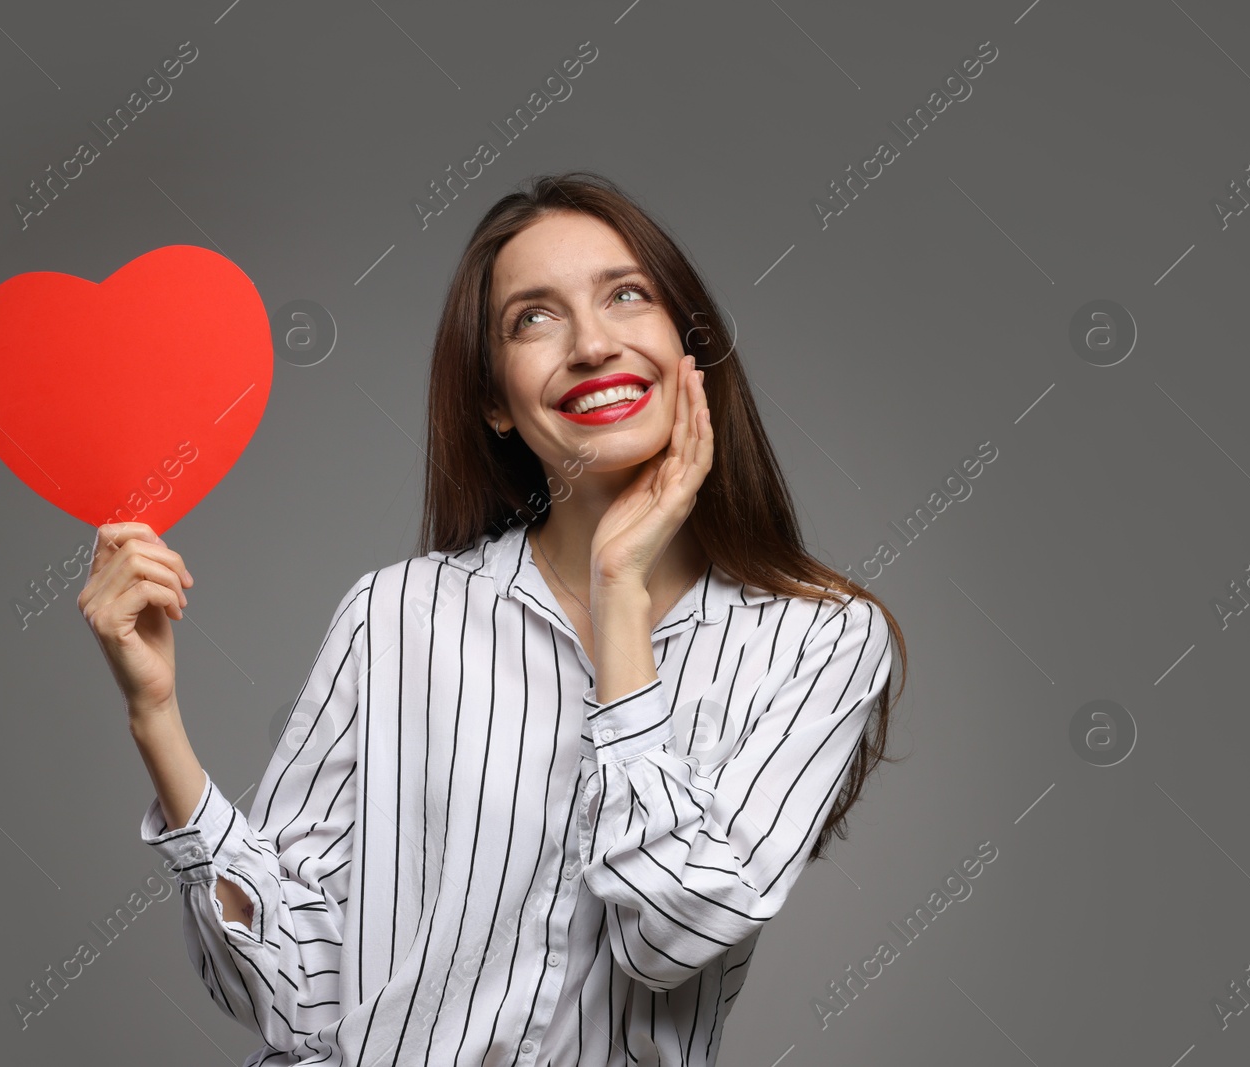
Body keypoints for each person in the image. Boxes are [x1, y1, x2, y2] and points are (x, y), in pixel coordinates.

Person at [79, 171, 907, 1066]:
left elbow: (672, 937)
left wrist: (620, 602)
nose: (593, 343)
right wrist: (155, 715)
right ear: (496, 403)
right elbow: (292, 1000)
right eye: (534, 318)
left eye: (628, 295)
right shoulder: (395, 615)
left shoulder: (823, 638)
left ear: (687, 344)